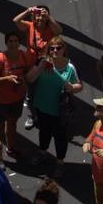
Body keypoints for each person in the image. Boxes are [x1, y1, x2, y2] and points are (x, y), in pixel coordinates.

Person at [26, 36, 81, 173]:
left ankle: (59, 162)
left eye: (58, 48)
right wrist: (40, 66)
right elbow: (30, 78)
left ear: (64, 49)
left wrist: (72, 88)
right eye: (52, 48)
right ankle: (42, 153)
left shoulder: (70, 67)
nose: (55, 50)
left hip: (60, 110)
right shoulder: (42, 62)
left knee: (60, 137)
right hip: (42, 106)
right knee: (44, 132)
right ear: (48, 50)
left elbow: (79, 85)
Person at [0, 30, 34, 158]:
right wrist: (6, 79)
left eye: (16, 41)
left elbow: (26, 72)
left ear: (19, 43)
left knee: (12, 124)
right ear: (6, 43)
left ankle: (10, 148)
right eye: (10, 41)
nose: (13, 43)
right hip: (1, 100)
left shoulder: (23, 56)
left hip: (17, 98)